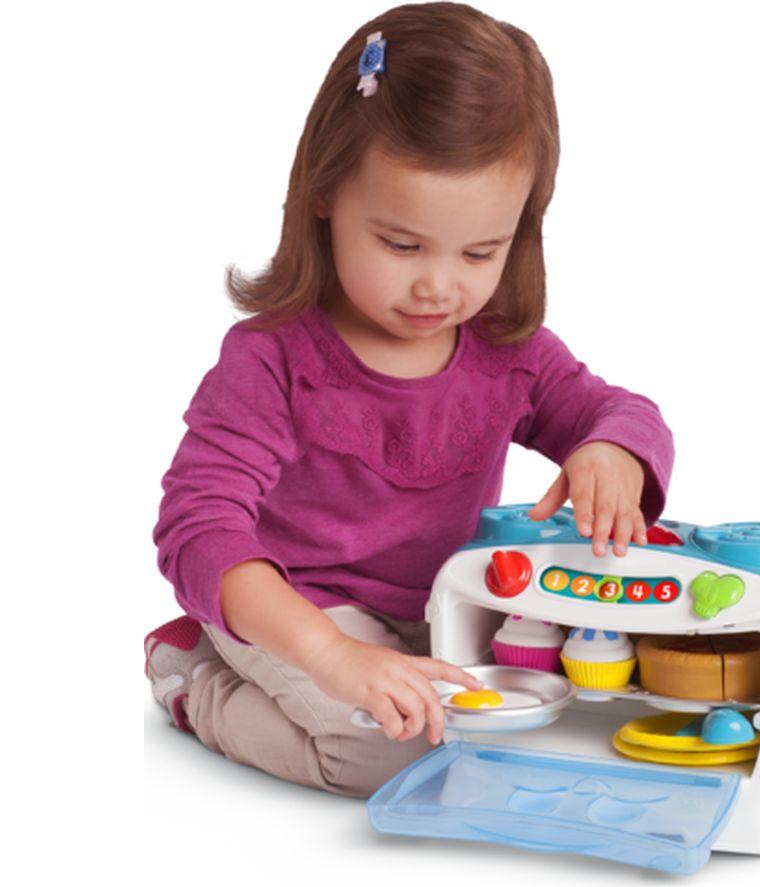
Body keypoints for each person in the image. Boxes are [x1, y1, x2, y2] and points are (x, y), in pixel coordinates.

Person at [145, 1, 675, 799]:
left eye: (480, 252)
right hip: (294, 612)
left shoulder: (508, 350)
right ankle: (195, 678)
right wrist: (329, 653)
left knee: (522, 722)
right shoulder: (271, 359)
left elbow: (619, 411)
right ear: (325, 194)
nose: (438, 285)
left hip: (443, 612)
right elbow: (198, 527)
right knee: (391, 755)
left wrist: (613, 450)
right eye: (401, 244)